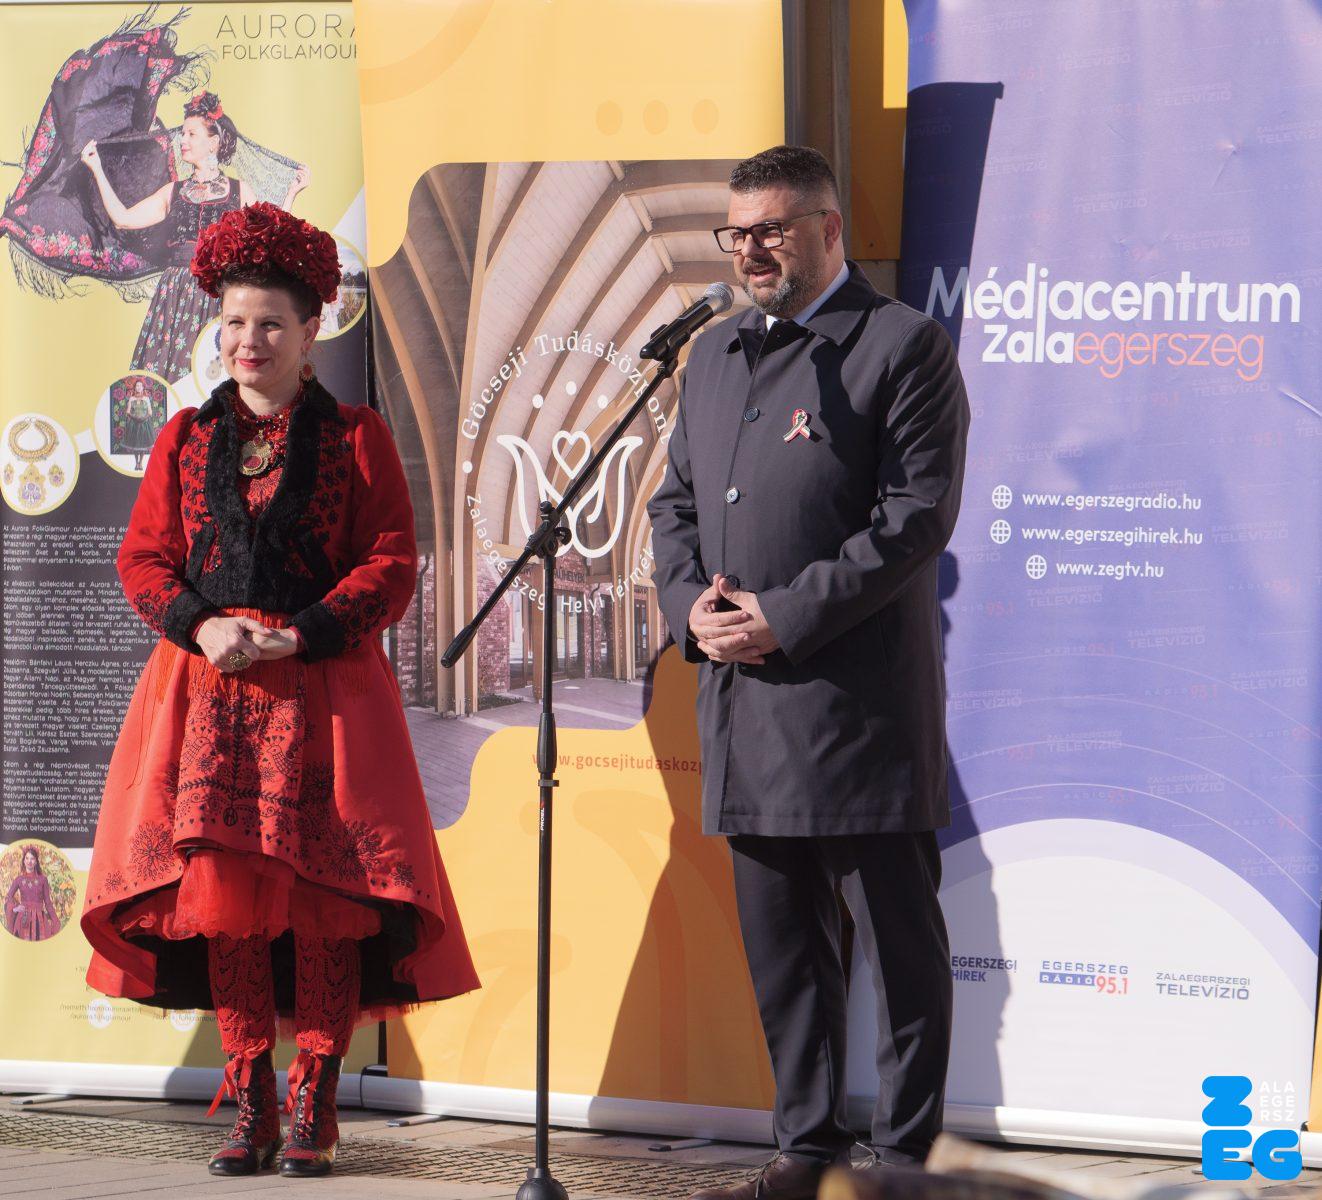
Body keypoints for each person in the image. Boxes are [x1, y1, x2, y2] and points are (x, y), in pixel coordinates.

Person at [81, 201, 479, 1179]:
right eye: (233, 323)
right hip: (209, 698)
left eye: (269, 323)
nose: (247, 340)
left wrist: (299, 633)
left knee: (323, 901)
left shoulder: (356, 437)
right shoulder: (183, 438)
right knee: (228, 904)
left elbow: (391, 562)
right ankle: (251, 1092)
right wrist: (205, 624)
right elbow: (143, 561)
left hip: (324, 696)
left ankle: (315, 1097)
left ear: (310, 332)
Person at [647, 145, 970, 1199]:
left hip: (859, 709)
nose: (750, 251)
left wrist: (782, 617)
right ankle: (807, 1148)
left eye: (771, 231)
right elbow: (673, 507)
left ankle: (906, 1159)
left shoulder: (900, 346)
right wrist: (689, 608)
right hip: (746, 706)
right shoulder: (713, 356)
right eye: (736, 233)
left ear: (829, 229)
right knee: (785, 951)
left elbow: (913, 519)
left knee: (899, 947)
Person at [80, 91, 311, 380]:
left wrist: (292, 194)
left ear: (213, 143)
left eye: (191, 134)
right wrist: (97, 169)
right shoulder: (173, 191)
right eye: (183, 134)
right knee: (167, 377)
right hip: (175, 296)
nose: (182, 140)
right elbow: (123, 219)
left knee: (212, 377)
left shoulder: (238, 191)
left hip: (219, 296)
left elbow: (270, 236)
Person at [5, 846, 61, 941]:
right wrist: (15, 908)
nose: (29, 861)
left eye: (32, 858)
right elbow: (8, 897)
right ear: (24, 861)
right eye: (27, 858)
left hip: (39, 920)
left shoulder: (43, 879)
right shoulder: (19, 879)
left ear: (36, 862)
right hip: (23, 919)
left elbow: (48, 902)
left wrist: (55, 920)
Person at [119, 376, 159, 472]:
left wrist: (144, 418)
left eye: (140, 386)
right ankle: (136, 462)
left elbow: (150, 412)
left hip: (144, 424)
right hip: (134, 424)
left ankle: (140, 462)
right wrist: (134, 418)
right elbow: (128, 412)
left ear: (143, 387)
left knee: (142, 444)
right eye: (137, 386)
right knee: (135, 445)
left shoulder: (146, 398)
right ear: (135, 387)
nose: (138, 387)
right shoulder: (131, 398)